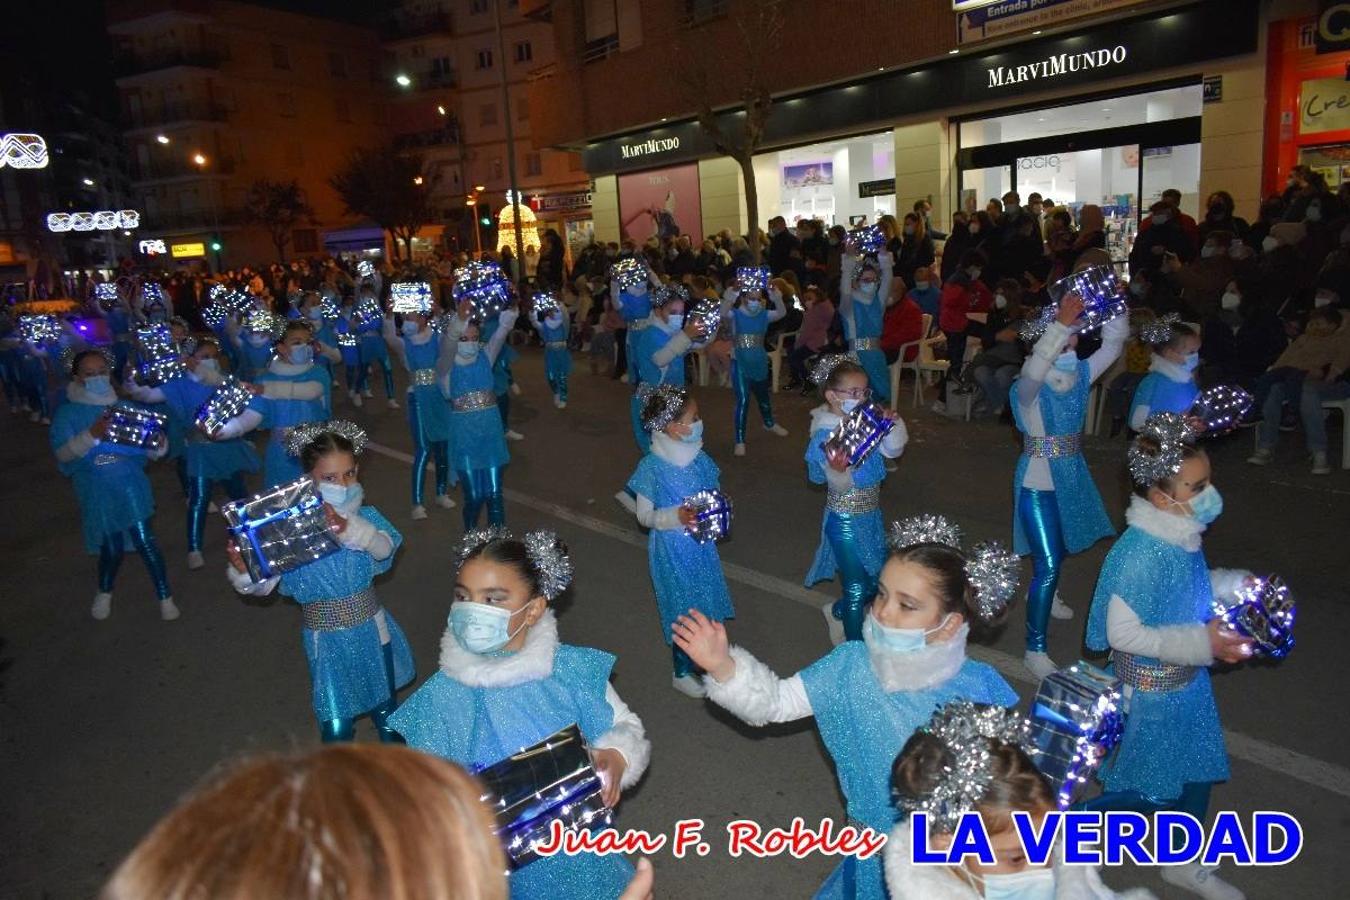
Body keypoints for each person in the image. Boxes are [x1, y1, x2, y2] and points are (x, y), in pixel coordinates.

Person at [673, 515, 1019, 900]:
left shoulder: (982, 687)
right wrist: (724, 667)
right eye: (882, 594)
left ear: (951, 625)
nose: (884, 612)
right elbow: (775, 704)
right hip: (874, 852)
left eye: (907, 605)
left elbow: (1006, 786)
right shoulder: (850, 665)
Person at [389, 528, 651, 899]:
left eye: (493, 599)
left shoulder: (568, 671)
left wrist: (616, 756)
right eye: (463, 596)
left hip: (582, 857)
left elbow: (626, 725)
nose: (472, 610)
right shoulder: (440, 698)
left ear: (534, 609)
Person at [1082, 416, 1257, 900]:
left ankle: (1182, 861)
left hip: (1188, 684)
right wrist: (1204, 642)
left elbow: (1186, 593)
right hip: (1152, 691)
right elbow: (1123, 633)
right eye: (1196, 486)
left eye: (1208, 482)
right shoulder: (1140, 552)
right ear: (1161, 498)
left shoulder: (1180, 532)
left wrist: (1232, 587)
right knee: (1144, 792)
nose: (1208, 493)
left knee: (1195, 772)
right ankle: (1057, 845)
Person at [226, 421, 414, 743]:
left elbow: (384, 548)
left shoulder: (365, 517)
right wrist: (246, 569)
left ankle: (397, 782)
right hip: (324, 640)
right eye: (329, 478)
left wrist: (351, 529)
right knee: (336, 725)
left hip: (373, 628)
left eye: (349, 474)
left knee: (387, 714)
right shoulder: (288, 530)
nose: (343, 485)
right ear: (308, 479)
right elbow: (263, 586)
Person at [885, 700, 1155, 900]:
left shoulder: (1066, 867)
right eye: (1015, 859)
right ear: (945, 847)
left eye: (1046, 846)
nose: (1043, 871)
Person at [1013, 293, 1128, 678]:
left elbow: (1113, 343)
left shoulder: (1078, 375)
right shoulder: (1026, 386)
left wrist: (1113, 304)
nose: (1070, 340)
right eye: (1060, 335)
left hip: (1071, 478)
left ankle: (1049, 593)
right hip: (1036, 483)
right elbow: (1036, 370)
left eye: (1073, 334)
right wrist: (1059, 324)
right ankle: (1035, 648)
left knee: (1058, 549)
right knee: (1046, 563)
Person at [52, 350, 178, 622]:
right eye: (89, 372)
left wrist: (157, 442)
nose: (97, 377)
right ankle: (105, 590)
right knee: (111, 546)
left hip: (131, 485)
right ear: (77, 377)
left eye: (102, 371)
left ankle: (165, 595)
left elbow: (155, 449)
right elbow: (63, 454)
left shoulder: (127, 408)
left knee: (145, 540)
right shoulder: (68, 414)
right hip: (96, 490)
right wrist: (91, 435)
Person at [625, 385, 734, 696]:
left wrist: (718, 512)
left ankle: (706, 655)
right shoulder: (652, 466)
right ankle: (681, 670)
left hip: (701, 545)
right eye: (693, 417)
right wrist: (676, 516)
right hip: (672, 548)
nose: (699, 422)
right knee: (683, 606)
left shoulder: (699, 457)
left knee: (704, 597)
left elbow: (712, 493)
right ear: (672, 427)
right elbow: (644, 516)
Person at [124, 338, 258, 570]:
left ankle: (252, 537)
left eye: (214, 355)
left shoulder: (223, 381)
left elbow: (245, 397)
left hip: (228, 447)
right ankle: (194, 547)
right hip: (200, 450)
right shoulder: (179, 385)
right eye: (205, 356)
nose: (212, 360)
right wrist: (131, 381)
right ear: (190, 358)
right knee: (199, 499)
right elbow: (146, 395)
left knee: (239, 495)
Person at [805, 356, 909, 642]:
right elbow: (830, 483)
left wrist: (892, 424)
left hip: (871, 515)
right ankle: (854, 655)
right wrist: (838, 472)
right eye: (853, 393)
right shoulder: (825, 435)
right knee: (854, 588)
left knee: (876, 582)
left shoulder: (865, 423)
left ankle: (836, 612)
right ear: (832, 396)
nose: (861, 398)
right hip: (844, 519)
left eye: (864, 392)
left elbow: (893, 452)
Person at [440, 301, 516, 530]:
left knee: (494, 494)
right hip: (464, 437)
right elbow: (449, 342)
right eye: (464, 339)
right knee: (474, 496)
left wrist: (510, 308)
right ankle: (471, 540)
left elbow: (501, 332)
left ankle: (498, 543)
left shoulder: (486, 356)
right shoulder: (445, 366)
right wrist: (459, 320)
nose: (470, 343)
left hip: (491, 434)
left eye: (474, 338)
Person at [1247, 306, 1350, 474]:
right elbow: (1286, 358)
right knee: (1274, 389)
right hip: (1296, 376)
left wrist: (1329, 374)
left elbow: (1340, 363)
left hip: (1331, 382)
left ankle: (1318, 451)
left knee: (1307, 391)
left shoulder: (1342, 339)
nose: (1316, 326)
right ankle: (1266, 445)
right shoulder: (1304, 339)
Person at [385, 302, 456, 520]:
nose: (408, 321)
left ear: (424, 318)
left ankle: (441, 493)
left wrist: (439, 311)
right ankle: (417, 502)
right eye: (405, 317)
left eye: (413, 316)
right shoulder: (404, 343)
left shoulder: (436, 337)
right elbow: (389, 337)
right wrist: (388, 314)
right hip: (417, 396)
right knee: (424, 449)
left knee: (443, 446)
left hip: (438, 396)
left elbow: (451, 337)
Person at [721, 268, 790, 455]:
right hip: (740, 361)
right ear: (743, 297)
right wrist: (732, 291)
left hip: (758, 360)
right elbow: (722, 311)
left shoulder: (765, 314)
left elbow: (782, 312)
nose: (754, 302)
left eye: (757, 298)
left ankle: (769, 423)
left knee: (763, 397)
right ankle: (740, 439)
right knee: (743, 400)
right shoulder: (735, 314)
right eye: (750, 298)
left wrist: (774, 293)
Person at [839, 245, 896, 404]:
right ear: (855, 282)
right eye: (866, 280)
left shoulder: (878, 301)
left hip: (876, 357)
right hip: (856, 357)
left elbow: (888, 279)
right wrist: (849, 259)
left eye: (873, 280)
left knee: (880, 400)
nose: (871, 283)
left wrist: (884, 255)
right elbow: (845, 285)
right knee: (859, 401)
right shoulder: (848, 302)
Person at [935, 250, 994, 403]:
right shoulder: (959, 282)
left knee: (956, 362)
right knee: (956, 364)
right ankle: (944, 400)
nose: (979, 272)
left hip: (956, 323)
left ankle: (945, 399)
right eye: (979, 268)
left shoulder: (962, 280)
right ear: (972, 266)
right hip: (955, 325)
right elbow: (951, 302)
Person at [965, 280, 1028, 418]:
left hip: (1013, 361)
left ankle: (990, 403)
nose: (997, 297)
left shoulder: (1023, 315)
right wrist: (998, 336)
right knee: (981, 372)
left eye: (1001, 294)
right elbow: (986, 340)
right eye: (997, 293)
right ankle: (1001, 405)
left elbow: (1026, 344)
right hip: (993, 359)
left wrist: (1016, 336)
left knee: (1003, 375)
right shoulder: (994, 314)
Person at [1128, 318, 1201, 431]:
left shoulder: (1188, 380)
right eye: (1191, 352)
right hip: (1157, 444)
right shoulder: (1153, 383)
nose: (1195, 356)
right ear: (1170, 353)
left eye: (1197, 351)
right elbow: (1137, 422)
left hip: (1186, 442)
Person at [786, 284, 835, 393]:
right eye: (806, 299)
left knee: (794, 357)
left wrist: (798, 344)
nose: (807, 301)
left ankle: (807, 381)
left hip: (816, 342)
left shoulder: (816, 310)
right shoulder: (822, 307)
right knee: (791, 352)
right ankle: (797, 379)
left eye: (809, 298)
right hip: (817, 340)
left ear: (817, 296)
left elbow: (807, 332)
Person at [530, 293, 573, 409]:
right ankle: (556, 392)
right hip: (550, 354)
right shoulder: (545, 324)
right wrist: (533, 311)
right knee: (551, 377)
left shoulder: (563, 322)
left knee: (562, 376)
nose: (551, 312)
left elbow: (564, 313)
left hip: (562, 353)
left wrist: (557, 301)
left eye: (553, 310)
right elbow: (535, 323)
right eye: (549, 311)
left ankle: (564, 397)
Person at [895, 211, 936, 290]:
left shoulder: (924, 239)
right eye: (906, 224)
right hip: (907, 277)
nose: (906, 227)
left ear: (917, 224)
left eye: (909, 224)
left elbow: (930, 259)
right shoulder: (907, 240)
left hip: (918, 277)